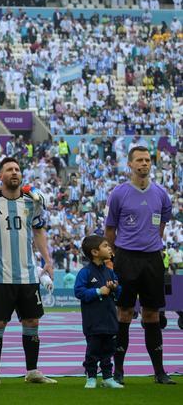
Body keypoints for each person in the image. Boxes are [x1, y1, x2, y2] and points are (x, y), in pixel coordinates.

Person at [0, 157, 56, 385]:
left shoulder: (32, 202)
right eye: (9, 169)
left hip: (29, 275)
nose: (14, 173)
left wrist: (47, 260)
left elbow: (39, 232)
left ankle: (32, 371)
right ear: (0, 176)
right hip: (0, 276)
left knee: (32, 322)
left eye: (18, 169)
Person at [105, 146, 175, 385]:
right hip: (126, 258)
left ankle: (159, 372)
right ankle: (119, 371)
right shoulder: (119, 194)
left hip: (153, 259)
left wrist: (153, 242)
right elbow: (110, 230)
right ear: (130, 164)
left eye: (147, 160)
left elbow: (162, 223)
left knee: (152, 314)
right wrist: (116, 255)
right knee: (124, 313)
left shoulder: (161, 194)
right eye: (139, 160)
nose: (144, 164)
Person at [74, 235, 124, 389]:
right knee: (93, 350)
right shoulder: (85, 272)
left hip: (109, 319)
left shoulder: (110, 272)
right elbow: (79, 292)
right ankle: (91, 377)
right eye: (105, 245)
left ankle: (108, 378)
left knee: (109, 351)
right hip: (93, 321)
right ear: (95, 252)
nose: (109, 248)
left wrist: (115, 288)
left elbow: (119, 292)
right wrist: (97, 291)